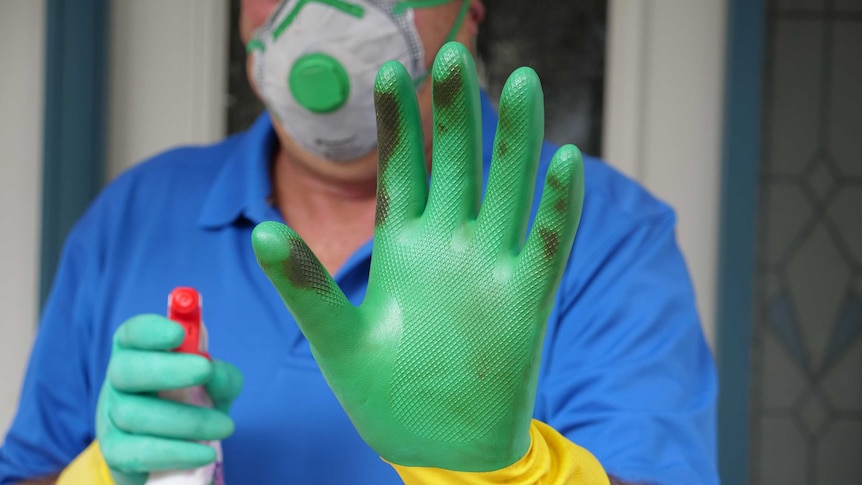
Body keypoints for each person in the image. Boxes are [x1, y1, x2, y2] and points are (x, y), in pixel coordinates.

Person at [0, 1, 718, 484]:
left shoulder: (602, 234)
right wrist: (95, 474)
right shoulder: (134, 213)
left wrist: (498, 468)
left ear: (470, 13)